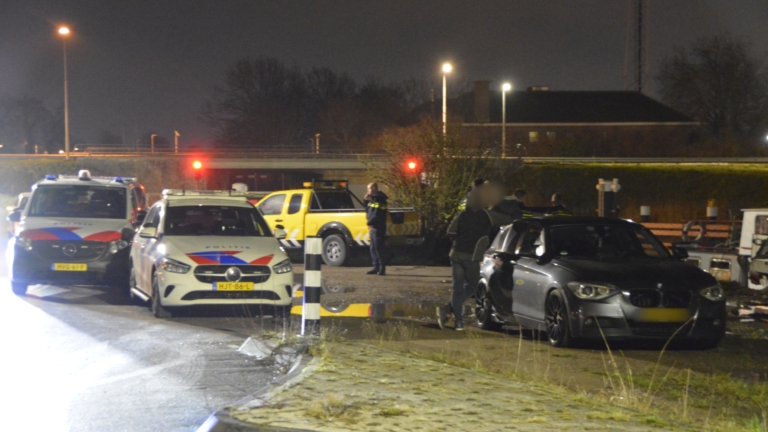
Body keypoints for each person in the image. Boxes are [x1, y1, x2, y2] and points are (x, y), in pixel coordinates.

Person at [437, 185, 512, 331]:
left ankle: (456, 319)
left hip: (455, 255)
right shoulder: (488, 215)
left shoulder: (462, 215)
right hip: (471, 257)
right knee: (472, 286)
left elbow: (451, 232)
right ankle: (449, 312)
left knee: (457, 288)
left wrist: (459, 242)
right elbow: (508, 219)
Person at [364, 182, 388, 275]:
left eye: (368, 189)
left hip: (379, 227)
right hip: (373, 227)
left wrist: (370, 222)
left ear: (374, 188)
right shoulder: (373, 199)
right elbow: (367, 210)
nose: (367, 191)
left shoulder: (380, 199)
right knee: (373, 248)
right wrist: (365, 201)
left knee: (379, 248)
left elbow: (378, 213)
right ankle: (375, 267)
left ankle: (382, 268)